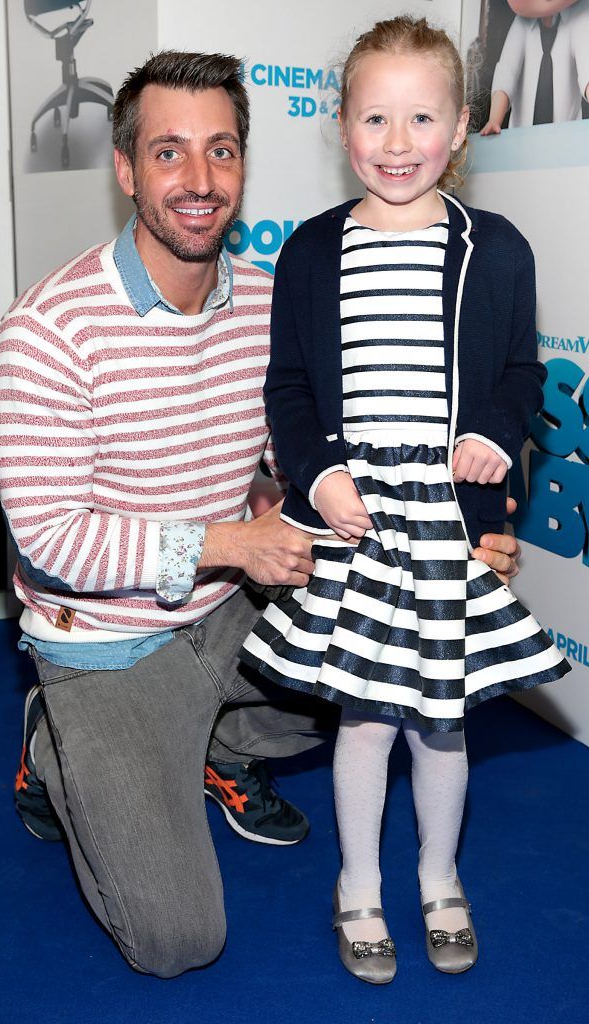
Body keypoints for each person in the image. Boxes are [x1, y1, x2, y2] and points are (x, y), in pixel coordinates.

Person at [0, 49, 523, 980]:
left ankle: (215, 744)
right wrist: (230, 540)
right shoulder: (49, 329)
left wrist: (464, 522)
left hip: (227, 610)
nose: (199, 181)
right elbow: (50, 540)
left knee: (392, 669)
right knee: (177, 944)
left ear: (243, 163)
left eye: (221, 151)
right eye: (167, 153)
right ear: (125, 169)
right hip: (106, 642)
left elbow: (302, 457)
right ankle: (56, 738)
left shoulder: (271, 302)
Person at [241, 16, 570, 984]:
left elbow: (516, 371)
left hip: (442, 520)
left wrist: (486, 440)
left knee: (440, 718)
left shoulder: (495, 248)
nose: (395, 142)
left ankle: (436, 878)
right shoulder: (308, 252)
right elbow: (288, 386)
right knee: (365, 717)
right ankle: (356, 886)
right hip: (350, 514)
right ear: (339, 125)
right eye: (373, 117)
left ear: (459, 126)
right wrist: (317, 474)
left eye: (419, 117)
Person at [480, 0, 589, 133]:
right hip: (522, 137)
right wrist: (494, 120)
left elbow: (586, 64)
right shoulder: (521, 23)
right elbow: (507, 72)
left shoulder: (579, 18)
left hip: (565, 137)